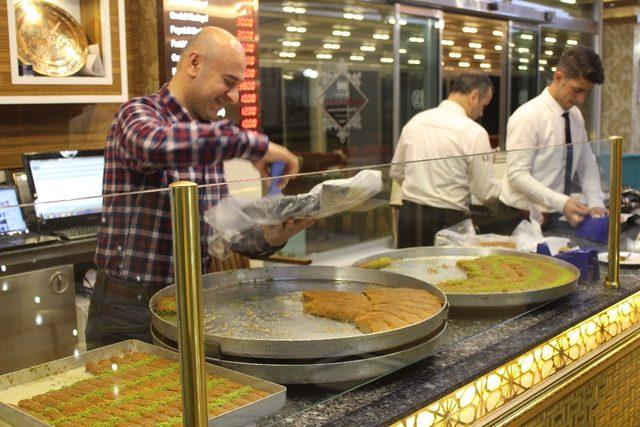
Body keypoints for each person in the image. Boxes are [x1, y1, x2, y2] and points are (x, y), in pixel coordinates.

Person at [87, 27, 312, 349]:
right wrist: (256, 146)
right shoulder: (137, 114)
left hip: (192, 299)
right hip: (128, 307)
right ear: (194, 63)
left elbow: (220, 230)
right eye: (229, 82)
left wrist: (270, 237)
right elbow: (156, 146)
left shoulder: (205, 139)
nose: (233, 97)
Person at [496, 45, 606, 233]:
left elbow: (587, 163)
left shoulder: (575, 116)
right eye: (577, 90)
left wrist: (596, 203)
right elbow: (517, 176)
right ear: (558, 77)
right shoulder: (528, 116)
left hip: (555, 214)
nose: (581, 99)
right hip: (520, 218)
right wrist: (561, 202)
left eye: (586, 92)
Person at [390, 72, 500, 247]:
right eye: (483, 105)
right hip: (448, 222)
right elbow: (484, 191)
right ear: (473, 96)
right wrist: (506, 191)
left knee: (407, 272)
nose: (481, 112)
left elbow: (396, 172)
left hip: (410, 218)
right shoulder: (474, 132)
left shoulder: (415, 121)